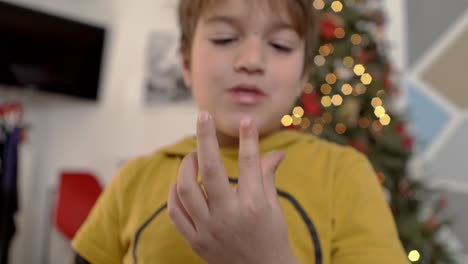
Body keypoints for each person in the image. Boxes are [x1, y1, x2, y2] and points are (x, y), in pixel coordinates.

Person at [71, 0, 409, 263]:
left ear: (304, 76)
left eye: (280, 45)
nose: (251, 60)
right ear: (186, 63)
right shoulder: (133, 180)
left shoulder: (344, 175)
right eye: (225, 38)